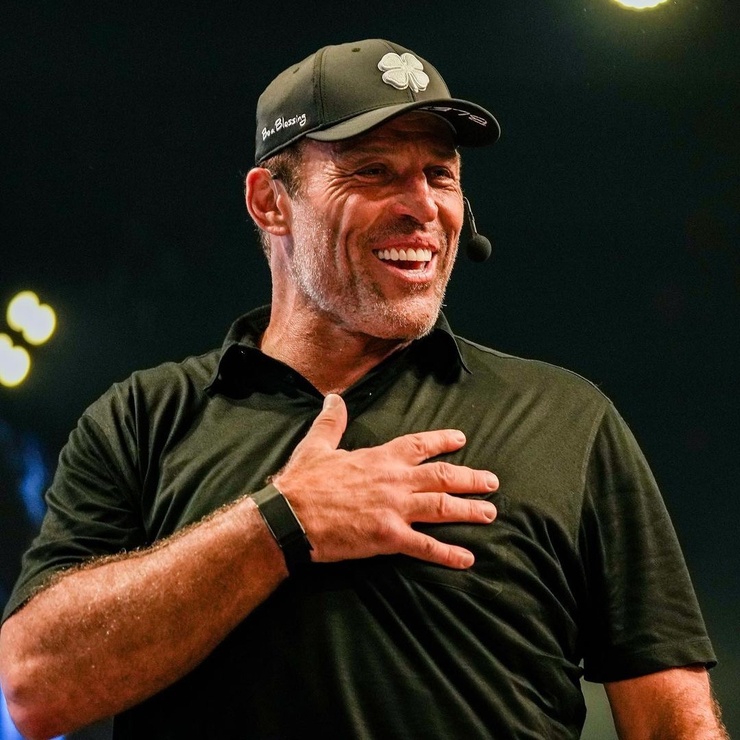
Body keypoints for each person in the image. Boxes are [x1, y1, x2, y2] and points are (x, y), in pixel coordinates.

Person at [0, 38, 727, 740]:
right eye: (374, 171)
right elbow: (34, 689)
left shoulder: (566, 421)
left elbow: (675, 723)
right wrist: (282, 524)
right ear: (271, 202)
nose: (423, 207)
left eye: (440, 174)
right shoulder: (141, 420)